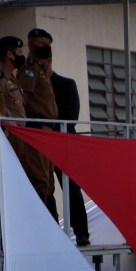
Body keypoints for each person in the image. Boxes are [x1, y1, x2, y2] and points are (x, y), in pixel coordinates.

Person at [46, 57, 91, 245]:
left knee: (71, 189)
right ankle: (52, 231)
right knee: (45, 189)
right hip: (42, 146)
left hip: (64, 146)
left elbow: (72, 117)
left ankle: (82, 234)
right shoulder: (28, 84)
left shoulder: (66, 84)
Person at [17, 28, 57, 204]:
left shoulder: (42, 68)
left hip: (48, 128)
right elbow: (24, 99)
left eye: (48, 44)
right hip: (37, 127)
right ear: (31, 45)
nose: (46, 47)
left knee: (49, 181)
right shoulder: (30, 68)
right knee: (39, 179)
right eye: (42, 43)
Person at [0, 36, 38, 196]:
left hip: (20, 136)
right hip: (10, 135)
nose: (23, 56)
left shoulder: (12, 77)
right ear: (10, 55)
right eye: (20, 52)